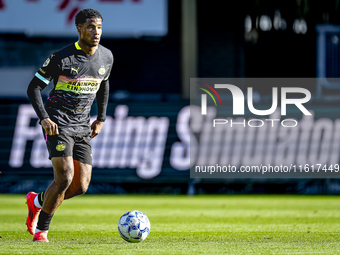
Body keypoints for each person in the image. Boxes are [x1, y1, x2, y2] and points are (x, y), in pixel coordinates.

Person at [25, 8, 113, 242]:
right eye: (91, 27)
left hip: (83, 126)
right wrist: (44, 118)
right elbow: (33, 87)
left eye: (99, 27)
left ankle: (36, 201)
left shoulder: (106, 57)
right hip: (58, 123)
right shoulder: (61, 58)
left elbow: (104, 85)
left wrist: (101, 118)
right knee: (64, 178)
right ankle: (42, 232)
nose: (96, 32)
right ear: (79, 29)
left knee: (80, 186)